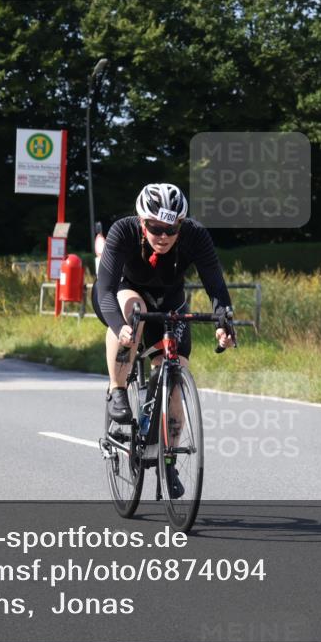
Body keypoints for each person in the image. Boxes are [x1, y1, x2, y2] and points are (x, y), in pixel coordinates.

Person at [92, 184, 234, 497]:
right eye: (156, 228)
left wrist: (224, 322)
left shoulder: (195, 235)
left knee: (176, 374)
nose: (164, 236)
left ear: (181, 224)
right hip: (123, 293)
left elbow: (216, 285)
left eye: (171, 229)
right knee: (134, 312)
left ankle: (168, 462)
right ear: (142, 221)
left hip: (169, 299)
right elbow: (105, 290)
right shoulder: (123, 231)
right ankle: (117, 389)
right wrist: (120, 327)